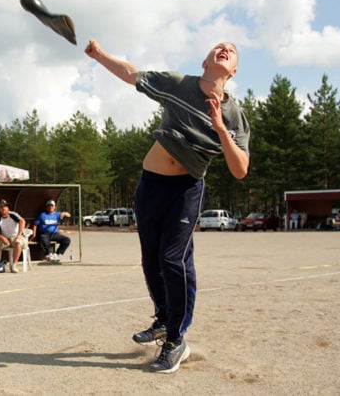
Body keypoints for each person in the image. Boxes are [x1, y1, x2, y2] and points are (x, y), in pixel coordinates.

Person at [86, 39, 250, 373]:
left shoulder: (235, 114)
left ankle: (176, 340)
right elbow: (133, 74)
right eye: (218, 46)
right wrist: (100, 55)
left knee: (173, 258)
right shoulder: (179, 85)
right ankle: (163, 319)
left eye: (231, 51)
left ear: (233, 70)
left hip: (186, 188)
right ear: (205, 62)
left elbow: (240, 169)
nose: (224, 49)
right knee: (150, 259)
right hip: (150, 184)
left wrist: (220, 129)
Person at [0, 199, 27, 273]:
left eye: (5, 206)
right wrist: (1, 237)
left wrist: (19, 235)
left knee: (18, 242)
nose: (3, 208)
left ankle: (14, 265)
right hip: (5, 239)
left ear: (8, 208)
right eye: (1, 207)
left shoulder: (13, 215)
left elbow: (22, 221)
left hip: (16, 237)